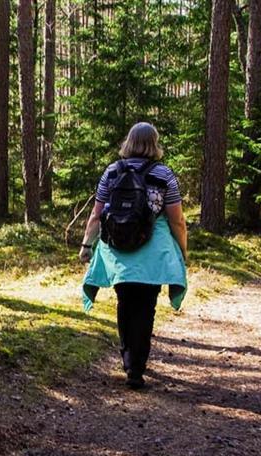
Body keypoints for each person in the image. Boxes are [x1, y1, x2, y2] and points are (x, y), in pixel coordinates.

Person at [80, 122, 188, 390]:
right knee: (145, 307)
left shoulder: (112, 171)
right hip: (153, 253)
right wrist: (182, 251)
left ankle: (129, 361)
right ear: (155, 143)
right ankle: (137, 367)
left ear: (129, 142)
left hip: (118, 250)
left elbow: (97, 213)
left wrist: (86, 245)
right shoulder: (164, 174)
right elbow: (176, 220)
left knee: (124, 304)